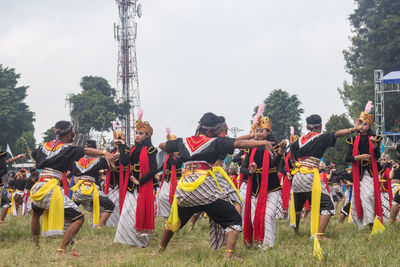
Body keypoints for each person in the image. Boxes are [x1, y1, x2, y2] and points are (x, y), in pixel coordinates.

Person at [155, 112, 275, 260]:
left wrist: (176, 153)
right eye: (217, 129)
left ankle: (160, 250)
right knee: (234, 219)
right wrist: (263, 142)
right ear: (210, 130)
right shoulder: (214, 142)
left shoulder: (183, 141)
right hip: (205, 188)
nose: (219, 132)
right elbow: (237, 144)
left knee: (174, 220)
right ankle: (229, 255)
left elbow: (161, 145)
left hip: (185, 190)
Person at [30, 120, 114, 252]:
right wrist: (104, 152)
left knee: (36, 213)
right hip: (51, 188)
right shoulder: (67, 149)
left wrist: (47, 162)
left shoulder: (42, 146)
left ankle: (36, 246)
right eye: (73, 133)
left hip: (39, 186)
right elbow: (85, 150)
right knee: (79, 218)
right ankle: (61, 249)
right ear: (68, 134)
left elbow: (34, 155)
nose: (74, 135)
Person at [290, 114, 361, 240]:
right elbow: (337, 134)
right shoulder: (321, 137)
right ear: (321, 125)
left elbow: (292, 155)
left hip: (297, 176)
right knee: (328, 205)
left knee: (298, 205)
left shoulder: (298, 141)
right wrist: (354, 129)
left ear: (307, 126)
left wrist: (297, 163)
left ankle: (295, 232)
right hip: (310, 176)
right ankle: (319, 234)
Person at [240, 115, 287, 249]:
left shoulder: (275, 146)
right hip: (255, 189)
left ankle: (267, 246)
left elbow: (274, 163)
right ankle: (259, 242)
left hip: (271, 188)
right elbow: (242, 169)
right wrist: (251, 170)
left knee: (268, 216)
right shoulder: (250, 148)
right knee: (255, 218)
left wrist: (281, 152)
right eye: (257, 131)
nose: (259, 134)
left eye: (262, 131)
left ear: (268, 132)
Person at [114, 111, 158, 247]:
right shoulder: (133, 149)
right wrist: (121, 146)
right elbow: (123, 162)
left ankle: (139, 241)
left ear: (147, 135)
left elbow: (153, 170)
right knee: (128, 211)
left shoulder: (151, 150)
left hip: (142, 185)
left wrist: (141, 181)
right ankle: (125, 239)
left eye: (141, 133)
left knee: (138, 211)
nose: (137, 135)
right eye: (136, 133)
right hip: (131, 186)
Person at [346, 103, 383, 229]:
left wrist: (374, 146)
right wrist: (360, 157)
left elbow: (377, 156)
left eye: (365, 124)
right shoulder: (352, 140)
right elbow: (348, 158)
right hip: (359, 173)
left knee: (370, 196)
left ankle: (372, 221)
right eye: (360, 123)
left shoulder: (375, 138)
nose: (362, 126)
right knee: (360, 197)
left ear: (369, 125)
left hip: (372, 172)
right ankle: (364, 223)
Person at [70, 140, 116, 228]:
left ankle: (65, 225)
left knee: (70, 208)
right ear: (95, 150)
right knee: (110, 205)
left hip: (78, 191)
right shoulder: (98, 161)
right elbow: (111, 160)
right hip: (92, 192)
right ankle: (99, 226)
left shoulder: (75, 162)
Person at [157, 129, 184, 220]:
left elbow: (174, 163)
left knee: (174, 200)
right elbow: (162, 167)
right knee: (161, 197)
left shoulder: (180, 155)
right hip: (166, 181)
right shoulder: (168, 157)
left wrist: (171, 152)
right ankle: (166, 218)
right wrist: (154, 172)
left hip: (176, 181)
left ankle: (176, 218)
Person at [103, 130, 126, 227]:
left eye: (119, 139)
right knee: (111, 201)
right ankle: (111, 224)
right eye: (115, 139)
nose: (117, 141)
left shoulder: (127, 150)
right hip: (112, 182)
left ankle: (122, 223)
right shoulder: (111, 152)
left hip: (124, 182)